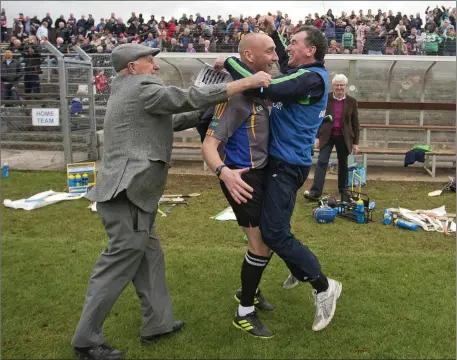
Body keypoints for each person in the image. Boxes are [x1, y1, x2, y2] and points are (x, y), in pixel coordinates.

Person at [71, 43, 271, 360]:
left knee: (150, 259)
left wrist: (217, 104)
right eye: (149, 61)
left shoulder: (131, 92)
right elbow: (185, 98)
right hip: (128, 195)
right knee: (117, 265)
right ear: (131, 68)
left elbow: (175, 117)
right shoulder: (140, 86)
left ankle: (158, 324)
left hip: (134, 195)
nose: (155, 66)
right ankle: (86, 339)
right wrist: (243, 83)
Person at [217, 19, 342, 332]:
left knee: (272, 234)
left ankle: (323, 286)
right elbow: (284, 64)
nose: (287, 49)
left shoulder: (312, 77)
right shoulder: (306, 73)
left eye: (294, 42)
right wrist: (272, 32)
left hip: (286, 165)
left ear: (311, 49)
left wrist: (231, 60)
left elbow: (266, 86)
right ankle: (296, 267)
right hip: (282, 163)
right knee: (275, 230)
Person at [201, 33, 278, 339]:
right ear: (248, 56)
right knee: (259, 244)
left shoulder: (263, 92)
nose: (275, 57)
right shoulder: (235, 99)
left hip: (261, 176)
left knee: (268, 240)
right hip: (240, 180)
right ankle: (244, 312)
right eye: (270, 51)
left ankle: (252, 288)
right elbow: (209, 145)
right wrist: (224, 173)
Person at [304, 73, 360, 202]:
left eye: (342, 85)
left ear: (345, 86)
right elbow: (318, 118)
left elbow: (355, 123)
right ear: (333, 86)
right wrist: (317, 137)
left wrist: (355, 143)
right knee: (322, 162)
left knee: (344, 164)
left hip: (344, 136)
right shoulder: (325, 99)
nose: (339, 87)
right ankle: (315, 191)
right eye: (337, 85)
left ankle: (344, 190)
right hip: (327, 136)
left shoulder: (352, 102)